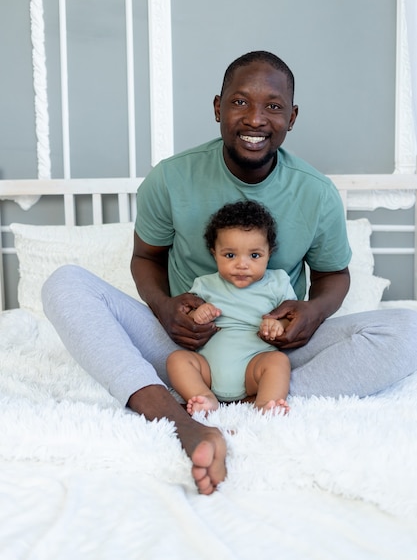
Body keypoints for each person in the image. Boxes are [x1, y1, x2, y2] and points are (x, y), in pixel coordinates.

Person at [42, 50, 417, 496]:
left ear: (292, 117)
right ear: (217, 107)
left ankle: (261, 400)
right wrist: (164, 309)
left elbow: (335, 275)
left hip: (270, 351)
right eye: (240, 102)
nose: (255, 119)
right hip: (184, 347)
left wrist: (313, 313)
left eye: (273, 107)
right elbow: (146, 258)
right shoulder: (171, 178)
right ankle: (180, 420)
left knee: (407, 328)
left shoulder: (316, 193)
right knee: (64, 284)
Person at [167, 200, 295, 415]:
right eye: (229, 255)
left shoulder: (278, 282)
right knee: (177, 360)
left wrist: (277, 324)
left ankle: (265, 404)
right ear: (214, 253)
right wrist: (199, 314)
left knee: (278, 361)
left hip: (253, 368)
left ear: (269, 253)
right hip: (207, 368)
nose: (241, 264)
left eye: (254, 255)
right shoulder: (204, 284)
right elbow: (188, 317)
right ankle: (204, 397)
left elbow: (291, 317)